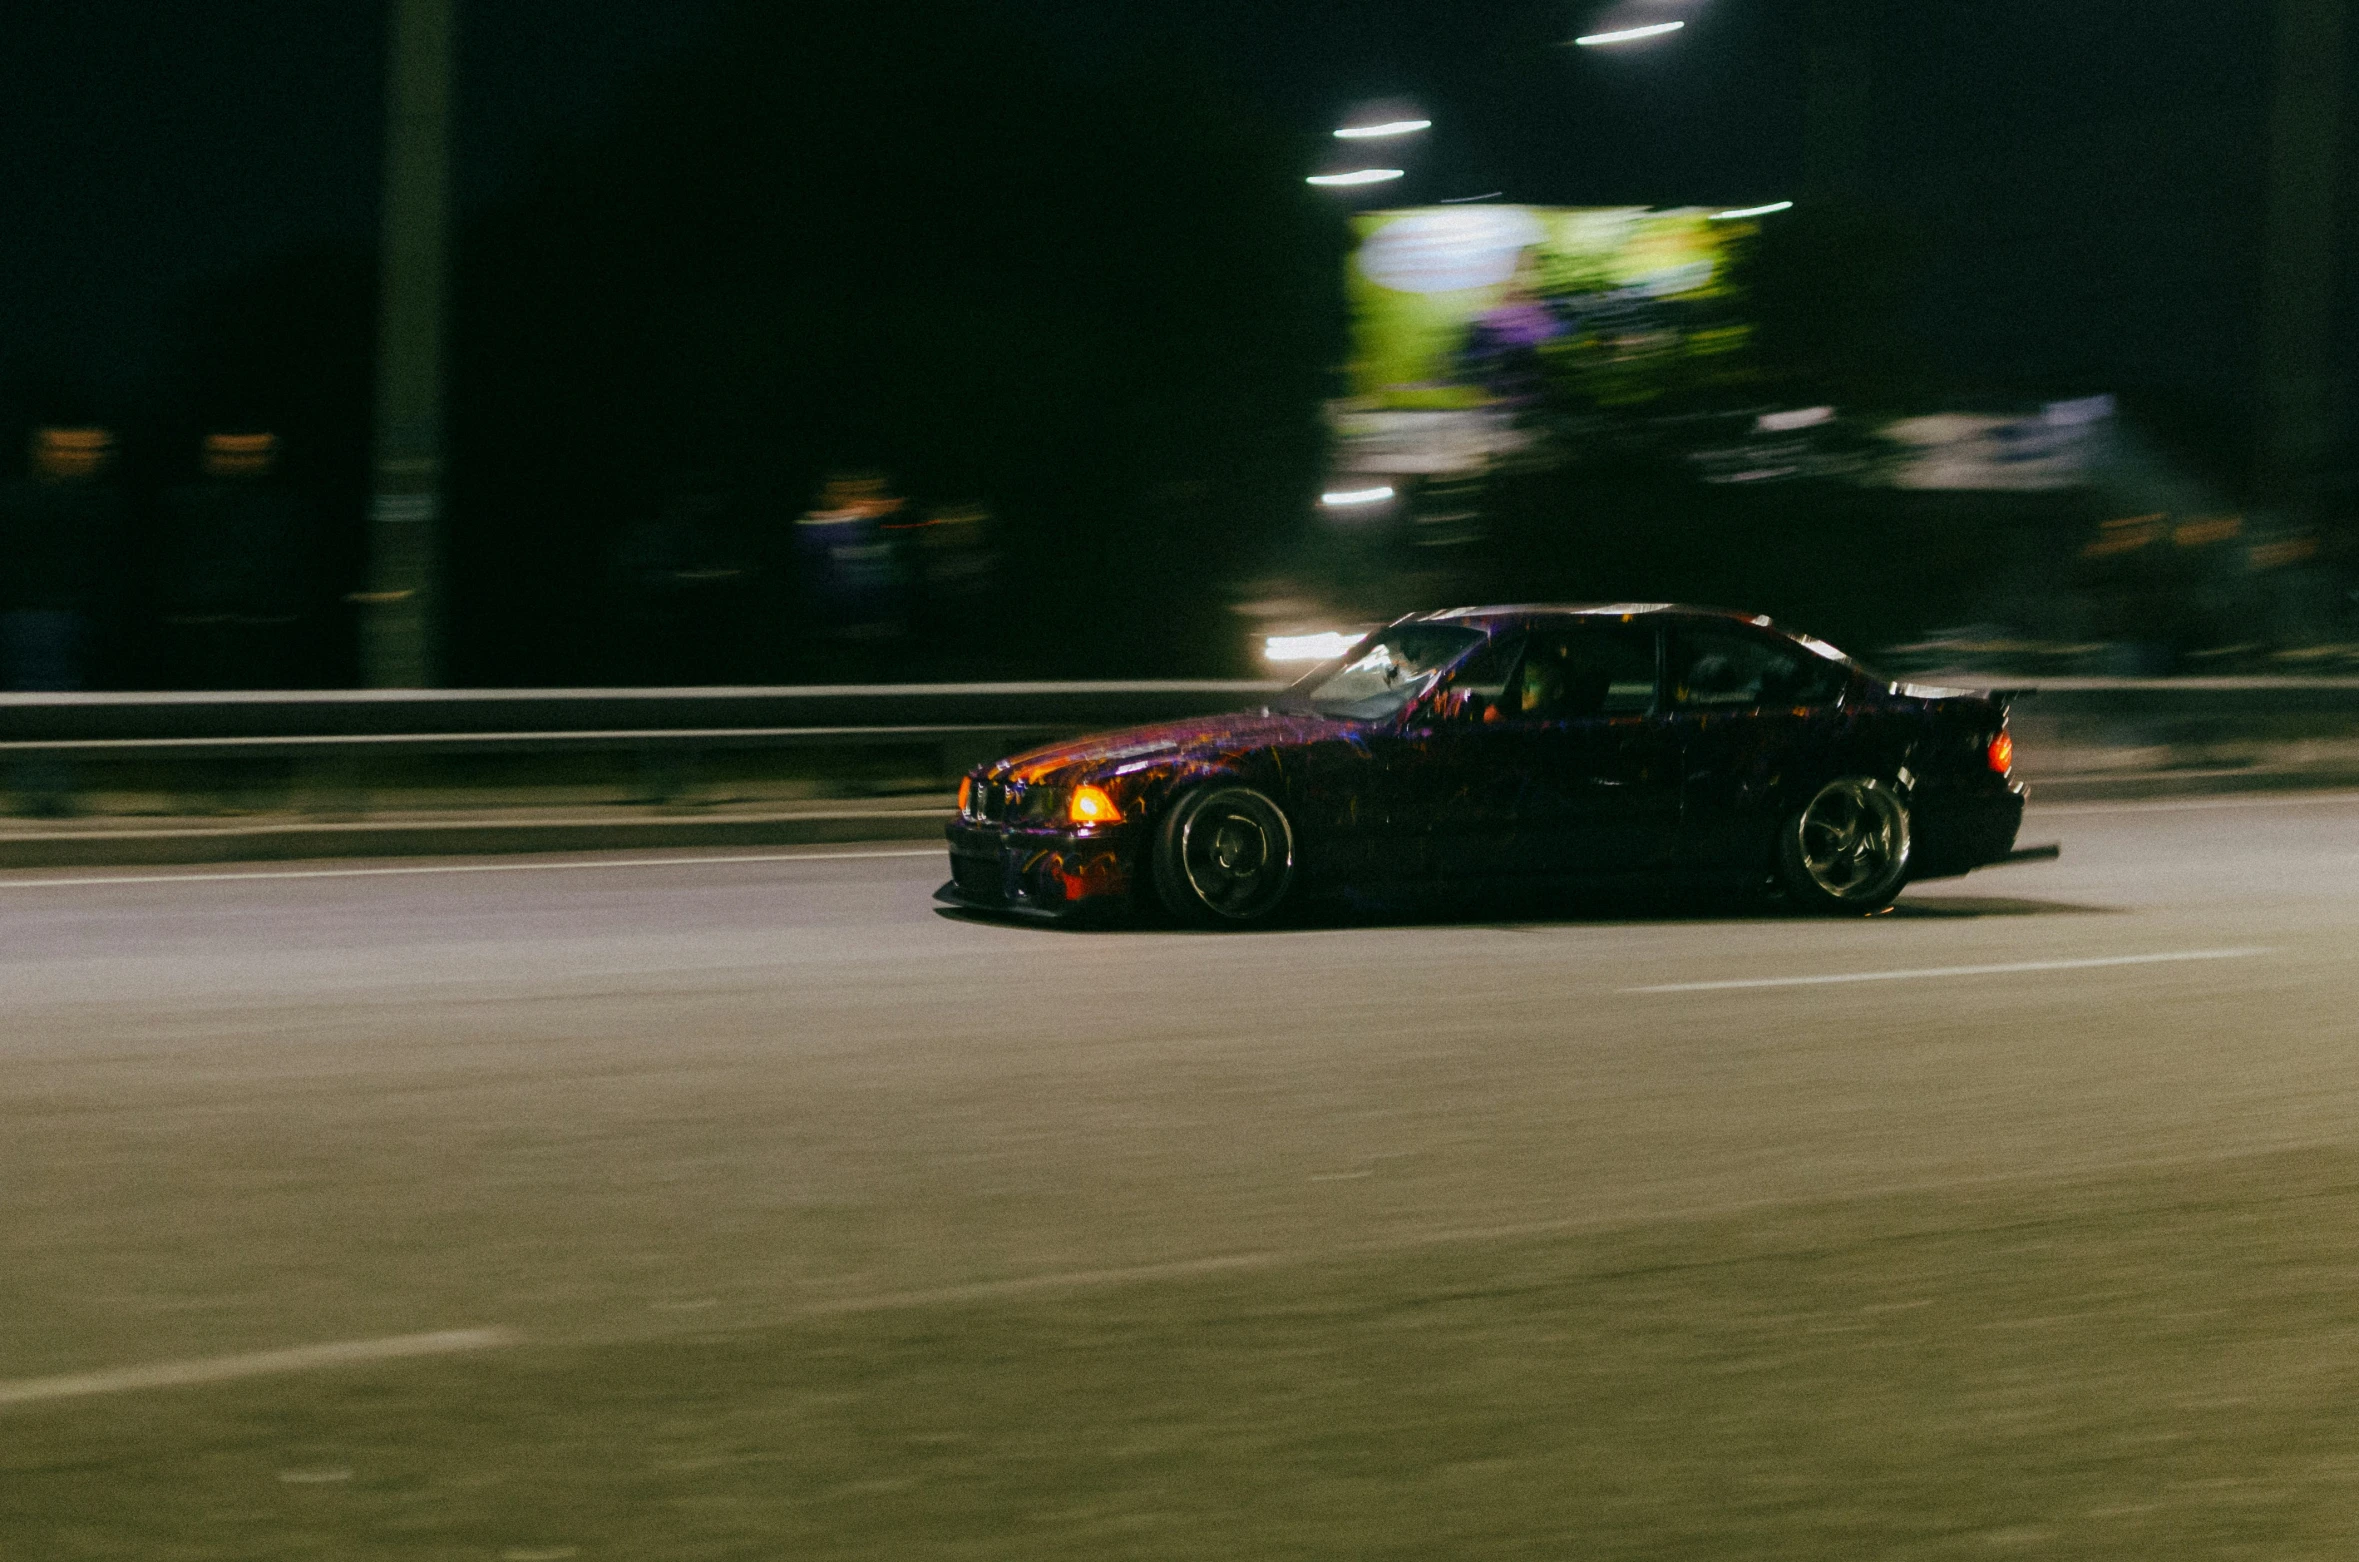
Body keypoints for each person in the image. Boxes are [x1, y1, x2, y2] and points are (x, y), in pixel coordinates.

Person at [160, 432, 308, 688]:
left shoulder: (283, 506)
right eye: (227, 455)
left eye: (251, 455)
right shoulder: (185, 503)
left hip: (258, 619)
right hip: (207, 619)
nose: (239, 463)